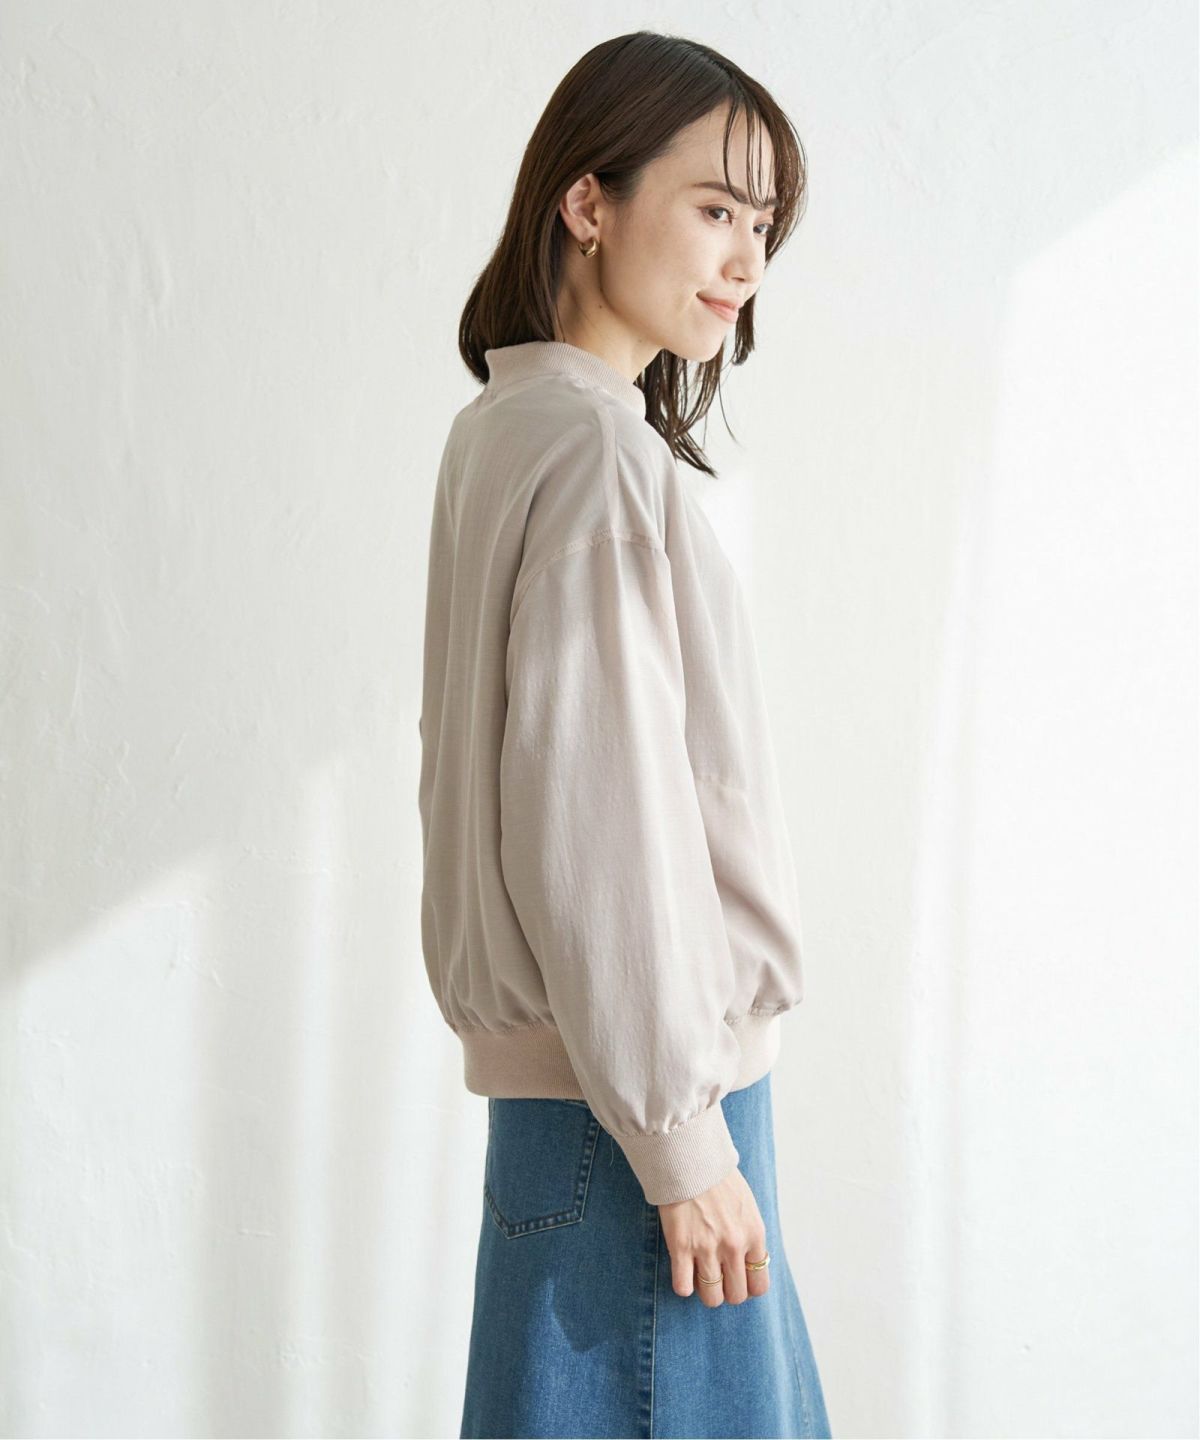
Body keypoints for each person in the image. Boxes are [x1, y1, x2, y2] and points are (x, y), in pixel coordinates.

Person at [418, 28, 832, 1439]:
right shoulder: (597, 456)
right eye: (715, 208)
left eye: (763, 224)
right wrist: (681, 1142)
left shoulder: (507, 426)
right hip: (639, 1113)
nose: (746, 259)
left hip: (581, 1114)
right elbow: (598, 824)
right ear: (587, 202)